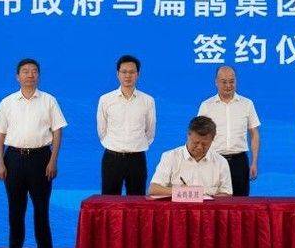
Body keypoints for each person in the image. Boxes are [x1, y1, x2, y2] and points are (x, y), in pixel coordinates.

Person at [0, 57, 67, 248]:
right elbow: (0, 135)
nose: (30, 75)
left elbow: (57, 132)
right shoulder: (7, 102)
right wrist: (0, 163)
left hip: (41, 159)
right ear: (17, 76)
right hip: (13, 159)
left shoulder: (49, 101)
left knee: (41, 209)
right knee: (15, 210)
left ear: (38, 75)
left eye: (34, 71)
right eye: (25, 71)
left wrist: (53, 160)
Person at [97, 54, 156, 196]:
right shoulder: (106, 99)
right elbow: (102, 130)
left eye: (132, 72)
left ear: (138, 74)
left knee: (137, 202)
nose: (127, 76)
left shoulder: (148, 100)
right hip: (112, 158)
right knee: (109, 202)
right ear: (117, 74)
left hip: (137, 159)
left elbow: (150, 131)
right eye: (124, 72)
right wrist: (114, 145)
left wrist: (136, 145)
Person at [197, 66, 261, 196]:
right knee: (214, 201)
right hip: (214, 161)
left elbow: (254, 134)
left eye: (232, 81)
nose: (228, 85)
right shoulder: (206, 105)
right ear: (216, 82)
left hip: (239, 162)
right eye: (224, 82)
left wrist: (254, 162)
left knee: (240, 203)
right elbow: (199, 135)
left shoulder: (247, 104)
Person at [148, 116, 233, 197]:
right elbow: (153, 189)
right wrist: (181, 191)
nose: (199, 147)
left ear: (212, 140)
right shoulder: (170, 157)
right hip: (178, 206)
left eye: (205, 144)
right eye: (196, 142)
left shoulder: (221, 162)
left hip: (208, 207)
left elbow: (227, 194)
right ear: (188, 135)